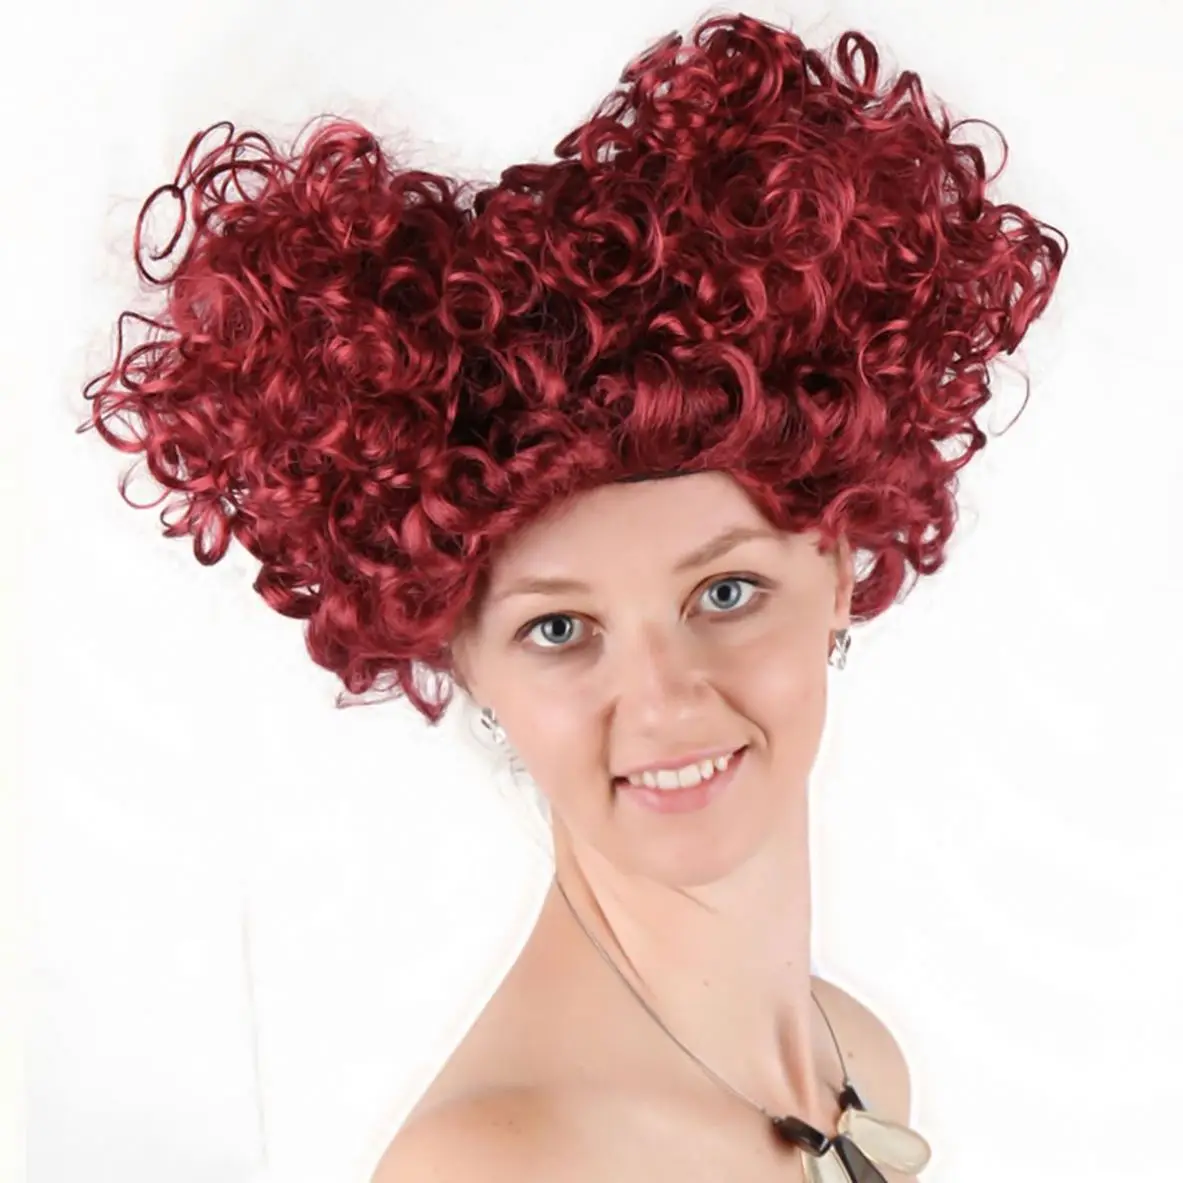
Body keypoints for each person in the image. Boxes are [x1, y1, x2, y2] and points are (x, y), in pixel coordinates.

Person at [76, 11, 1067, 1181]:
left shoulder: (857, 1061)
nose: (663, 701)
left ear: (843, 564)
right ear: (456, 652)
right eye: (558, 628)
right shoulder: (496, 1166)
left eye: (726, 591)